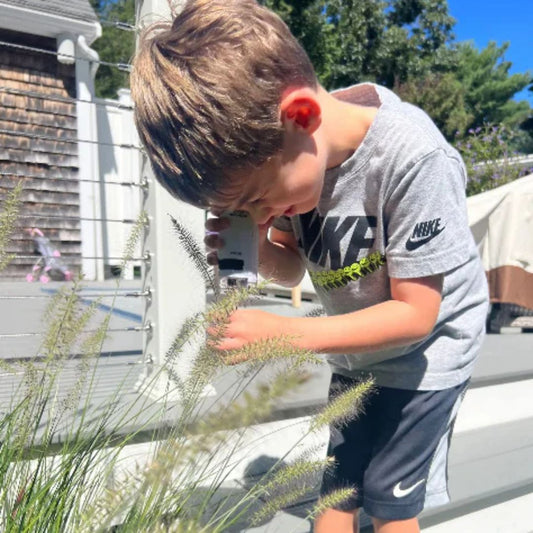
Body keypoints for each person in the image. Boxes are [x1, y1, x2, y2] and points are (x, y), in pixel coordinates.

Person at [130, 1, 489, 531]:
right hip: (356, 352)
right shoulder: (296, 160)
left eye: (257, 198)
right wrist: (260, 248)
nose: (260, 213)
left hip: (427, 356)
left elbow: (416, 315)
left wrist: (286, 334)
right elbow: (293, 268)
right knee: (337, 492)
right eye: (244, 209)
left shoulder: (414, 159)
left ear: (301, 116)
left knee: (388, 502)